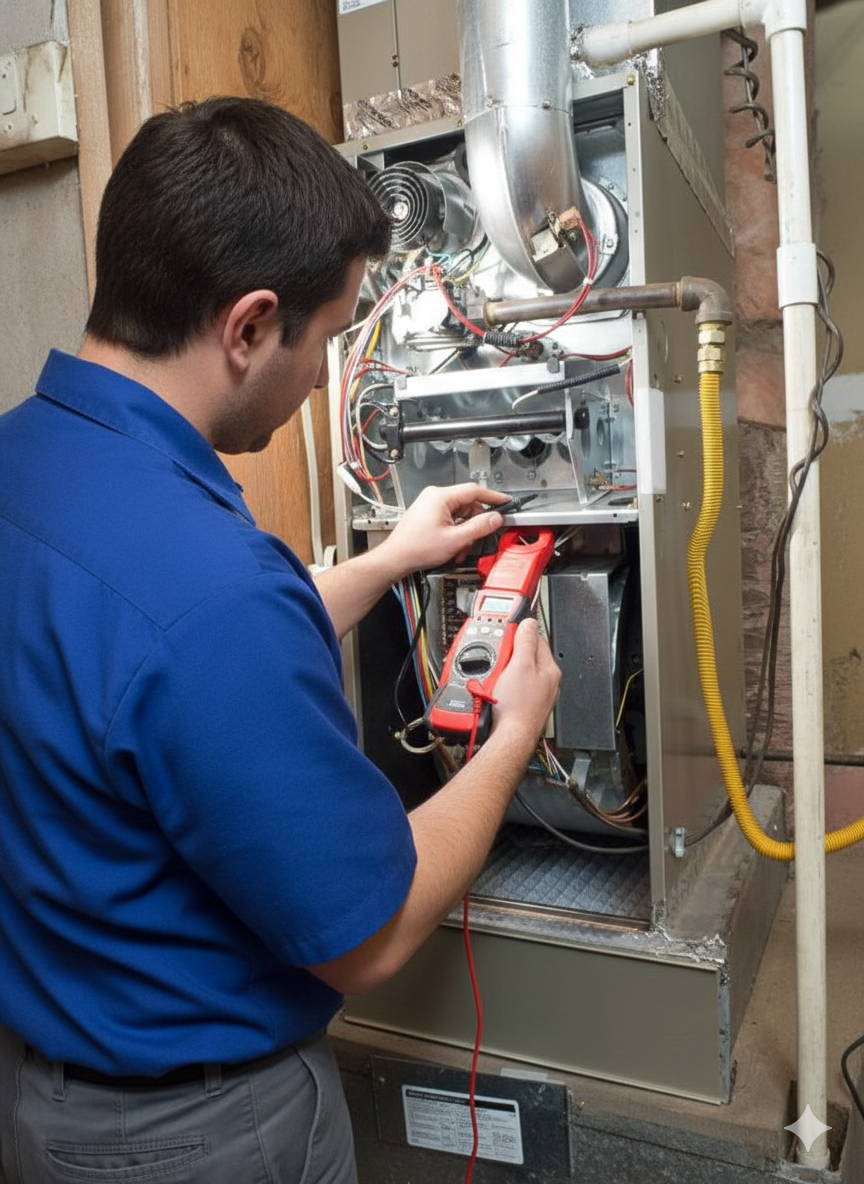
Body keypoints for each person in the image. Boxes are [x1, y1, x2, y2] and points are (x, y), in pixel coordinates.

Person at [0, 97, 560, 1184]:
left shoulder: (25, 466)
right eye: (328, 337)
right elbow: (374, 929)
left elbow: (134, 664)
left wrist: (388, 560)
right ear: (250, 325)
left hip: (44, 1092)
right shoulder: (212, 588)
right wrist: (511, 737)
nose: (321, 379)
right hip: (198, 1134)